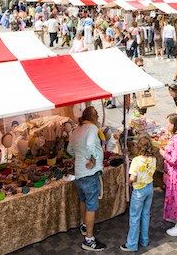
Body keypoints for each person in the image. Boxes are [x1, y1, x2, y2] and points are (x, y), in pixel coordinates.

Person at [67, 106, 106, 251]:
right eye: (97, 114)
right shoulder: (92, 129)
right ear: (94, 116)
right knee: (91, 206)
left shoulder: (76, 130)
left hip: (79, 173)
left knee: (83, 200)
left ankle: (84, 225)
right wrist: (93, 158)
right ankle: (89, 240)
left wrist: (80, 156)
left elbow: (69, 150)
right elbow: (90, 144)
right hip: (89, 174)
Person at [121, 136, 157, 252]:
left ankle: (132, 244)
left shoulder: (136, 160)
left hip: (139, 191)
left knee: (135, 217)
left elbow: (132, 177)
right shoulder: (153, 159)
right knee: (146, 215)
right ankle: (144, 240)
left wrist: (128, 182)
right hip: (149, 188)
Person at [159, 113, 177, 238]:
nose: (166, 125)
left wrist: (163, 153)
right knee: (174, 195)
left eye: (168, 123)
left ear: (174, 124)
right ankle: (175, 217)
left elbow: (174, 160)